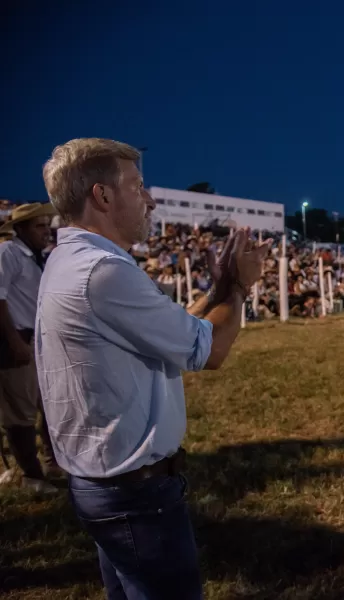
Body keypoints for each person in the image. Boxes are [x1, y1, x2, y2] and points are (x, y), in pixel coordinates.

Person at [38, 138, 272, 599]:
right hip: (134, 495)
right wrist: (241, 288)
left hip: (107, 483)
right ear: (103, 196)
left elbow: (174, 330)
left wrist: (221, 283)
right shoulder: (102, 271)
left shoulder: (75, 260)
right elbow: (208, 350)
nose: (151, 198)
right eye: (138, 185)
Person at [0, 203, 61, 493]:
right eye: (39, 225)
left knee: (49, 406)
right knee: (21, 413)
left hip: (38, 341)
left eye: (47, 224)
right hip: (17, 342)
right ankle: (31, 477)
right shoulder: (7, 253)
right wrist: (14, 342)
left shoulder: (39, 258)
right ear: (20, 229)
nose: (46, 230)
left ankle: (53, 464)